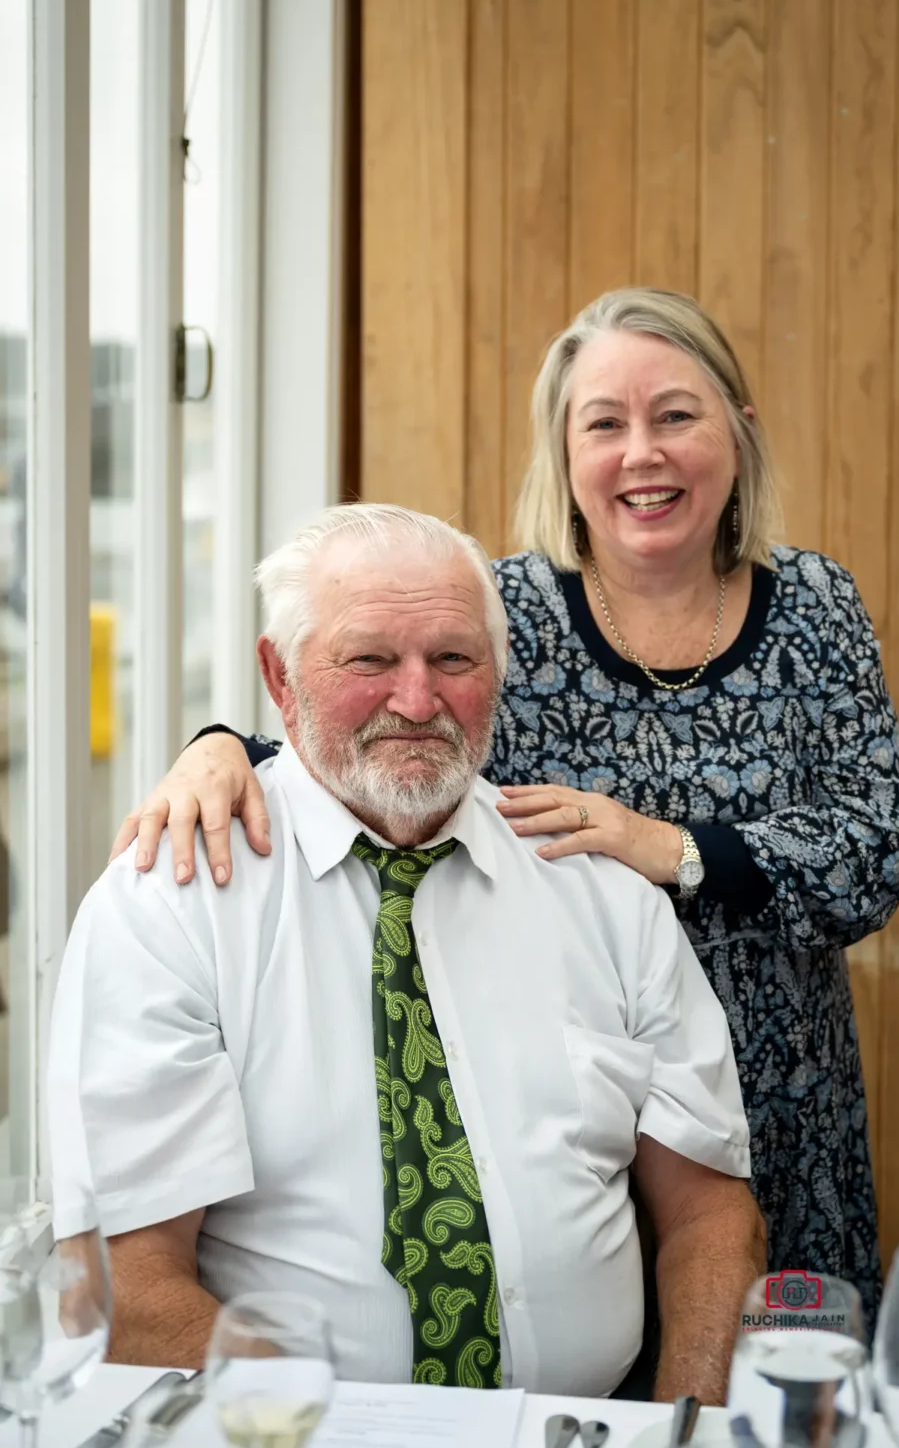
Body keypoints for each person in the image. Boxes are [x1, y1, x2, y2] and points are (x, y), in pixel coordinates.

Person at [114, 288, 899, 1333]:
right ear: (563, 451)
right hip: (555, 1086)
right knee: (565, 1350)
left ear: (738, 429)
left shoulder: (814, 605)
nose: (642, 454)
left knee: (751, 1386)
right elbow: (375, 727)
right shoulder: (513, 612)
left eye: (674, 415)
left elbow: (875, 848)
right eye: (604, 424)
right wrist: (217, 750)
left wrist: (671, 850)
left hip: (779, 1093)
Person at [51, 505, 763, 1400]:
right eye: (370, 660)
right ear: (280, 676)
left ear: (497, 672)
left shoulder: (599, 890)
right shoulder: (174, 906)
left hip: (580, 1441)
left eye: (454, 660)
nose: (418, 702)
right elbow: (124, 1286)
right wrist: (340, 1445)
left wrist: (682, 1442)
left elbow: (708, 1210)